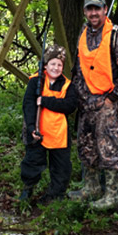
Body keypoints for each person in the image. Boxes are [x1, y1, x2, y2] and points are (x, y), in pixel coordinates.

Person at [68, 0, 118, 210]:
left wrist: (113, 97)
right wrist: (79, 95)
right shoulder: (83, 32)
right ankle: (91, 187)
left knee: (108, 148)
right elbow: (79, 67)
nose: (93, 12)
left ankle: (111, 195)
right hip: (85, 102)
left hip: (106, 102)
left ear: (105, 9)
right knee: (86, 146)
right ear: (85, 11)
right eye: (90, 8)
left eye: (97, 8)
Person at [20, 44, 77, 203]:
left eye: (59, 65)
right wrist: (31, 128)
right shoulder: (35, 81)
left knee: (61, 167)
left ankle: (55, 195)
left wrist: (46, 101)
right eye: (52, 64)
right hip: (38, 132)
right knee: (32, 162)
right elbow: (29, 105)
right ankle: (27, 190)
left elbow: (70, 105)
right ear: (45, 65)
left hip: (59, 133)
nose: (56, 67)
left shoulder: (67, 84)